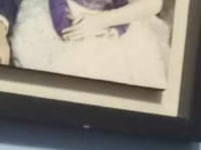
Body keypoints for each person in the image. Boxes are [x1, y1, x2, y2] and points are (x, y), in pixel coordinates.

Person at [11, 0, 169, 89]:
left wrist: (105, 23)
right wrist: (65, 25)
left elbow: (152, 4)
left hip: (116, 17)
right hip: (67, 11)